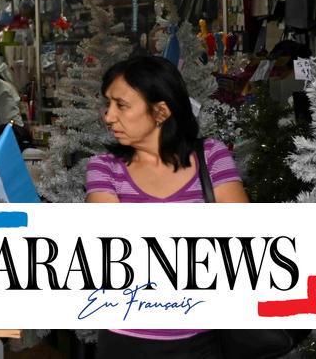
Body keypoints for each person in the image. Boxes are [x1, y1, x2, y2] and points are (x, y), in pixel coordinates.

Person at [86, 55, 248, 358]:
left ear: (160, 111)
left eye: (121, 105)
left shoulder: (212, 156)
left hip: (202, 342)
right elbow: (109, 254)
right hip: (123, 343)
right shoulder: (103, 168)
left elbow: (240, 243)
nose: (108, 116)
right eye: (107, 104)